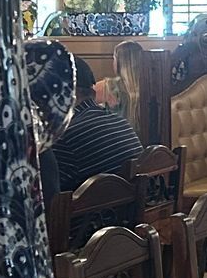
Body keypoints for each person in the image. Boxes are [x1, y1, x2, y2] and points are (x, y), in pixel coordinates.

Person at [43, 56, 144, 197]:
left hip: (95, 217)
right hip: (133, 214)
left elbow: (51, 201)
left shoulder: (63, 138)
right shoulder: (120, 122)